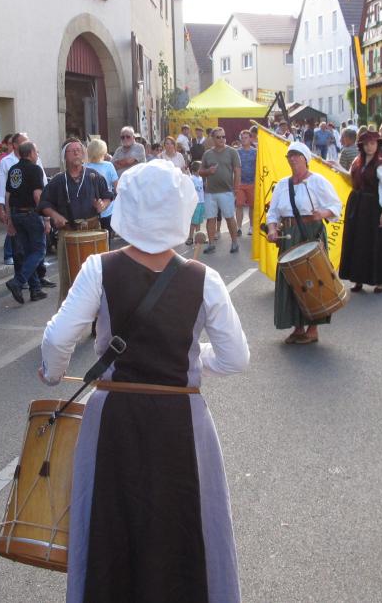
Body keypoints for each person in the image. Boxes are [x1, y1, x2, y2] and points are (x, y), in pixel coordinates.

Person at [38, 158, 248, 603]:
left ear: (127, 208)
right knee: (184, 523)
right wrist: (193, 360)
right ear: (180, 209)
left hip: (115, 415)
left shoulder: (100, 268)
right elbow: (235, 358)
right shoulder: (204, 278)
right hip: (181, 416)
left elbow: (58, 337)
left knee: (110, 522)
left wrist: (54, 374)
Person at [265, 142, 344, 344]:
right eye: (289, 156)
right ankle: (297, 327)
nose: (292, 159)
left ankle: (313, 328)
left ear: (305, 159)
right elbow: (273, 212)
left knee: (312, 281)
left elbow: (335, 205)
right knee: (292, 281)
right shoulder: (283, 184)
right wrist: (273, 229)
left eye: (296, 155)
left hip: (310, 232)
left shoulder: (318, 181)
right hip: (289, 234)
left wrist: (323, 213)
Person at [40, 139, 114, 302]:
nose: (76, 153)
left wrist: (102, 205)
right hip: (68, 234)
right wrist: (55, 216)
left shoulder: (94, 177)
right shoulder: (58, 181)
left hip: (92, 230)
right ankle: (67, 321)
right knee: (69, 283)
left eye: (79, 150)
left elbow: (108, 196)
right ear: (64, 157)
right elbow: (44, 204)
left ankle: (99, 321)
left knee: (98, 281)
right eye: (72, 150)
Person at [339, 131, 382, 292]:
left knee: (374, 242)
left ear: (377, 145)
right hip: (356, 204)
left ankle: (379, 280)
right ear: (361, 146)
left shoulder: (381, 165)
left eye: (373, 144)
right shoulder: (357, 161)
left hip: (372, 206)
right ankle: (358, 278)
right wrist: (333, 167)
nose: (370, 147)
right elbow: (350, 179)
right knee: (357, 242)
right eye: (367, 144)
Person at [4, 141, 49, 304]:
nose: (37, 155)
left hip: (16, 214)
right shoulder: (34, 169)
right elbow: (38, 196)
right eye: (36, 151)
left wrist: (9, 219)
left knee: (29, 253)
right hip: (31, 214)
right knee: (39, 251)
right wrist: (46, 218)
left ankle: (35, 289)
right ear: (30, 153)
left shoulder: (13, 169)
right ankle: (17, 281)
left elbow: (7, 196)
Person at [200, 127, 242, 254]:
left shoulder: (232, 152)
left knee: (229, 217)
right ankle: (211, 243)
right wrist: (208, 171)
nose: (222, 139)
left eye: (223, 136)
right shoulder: (207, 154)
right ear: (213, 138)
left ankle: (234, 242)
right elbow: (201, 171)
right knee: (210, 218)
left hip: (226, 191)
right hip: (210, 192)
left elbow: (237, 171)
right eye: (218, 137)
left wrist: (236, 189)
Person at [84, 138, 119, 236]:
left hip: (89, 208)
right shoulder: (108, 166)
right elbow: (117, 187)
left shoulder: (84, 167)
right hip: (108, 207)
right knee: (105, 240)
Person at [0, 134, 18, 265]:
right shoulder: (6, 161)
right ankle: (8, 254)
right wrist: (1, 207)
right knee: (12, 227)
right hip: (12, 201)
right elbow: (1, 186)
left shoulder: (32, 157)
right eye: (8, 143)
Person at [234, 129, 258, 235]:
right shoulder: (237, 152)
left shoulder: (256, 152)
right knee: (239, 205)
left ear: (250, 139)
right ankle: (238, 227)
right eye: (242, 138)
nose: (244, 140)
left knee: (252, 206)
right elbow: (233, 167)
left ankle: (251, 227)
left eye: (246, 138)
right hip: (240, 183)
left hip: (252, 182)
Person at [187, 160, 206, 244]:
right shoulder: (191, 178)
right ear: (196, 169)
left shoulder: (201, 178)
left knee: (199, 221)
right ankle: (190, 238)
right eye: (201, 168)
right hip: (196, 203)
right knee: (194, 222)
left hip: (202, 202)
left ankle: (198, 238)